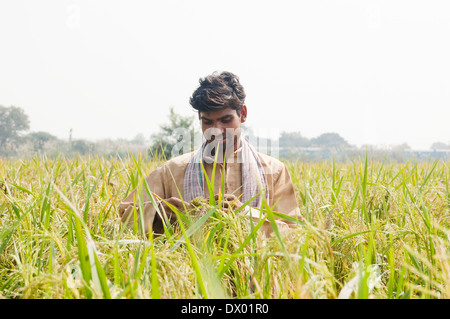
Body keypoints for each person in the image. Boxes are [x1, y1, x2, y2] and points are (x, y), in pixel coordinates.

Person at [119, 71, 302, 237]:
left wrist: (245, 216)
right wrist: (158, 212)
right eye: (208, 122)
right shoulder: (173, 171)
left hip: (255, 273)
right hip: (190, 271)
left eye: (226, 120)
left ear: (243, 114)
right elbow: (125, 215)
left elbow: (295, 234)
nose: (216, 130)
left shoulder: (274, 171)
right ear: (200, 119)